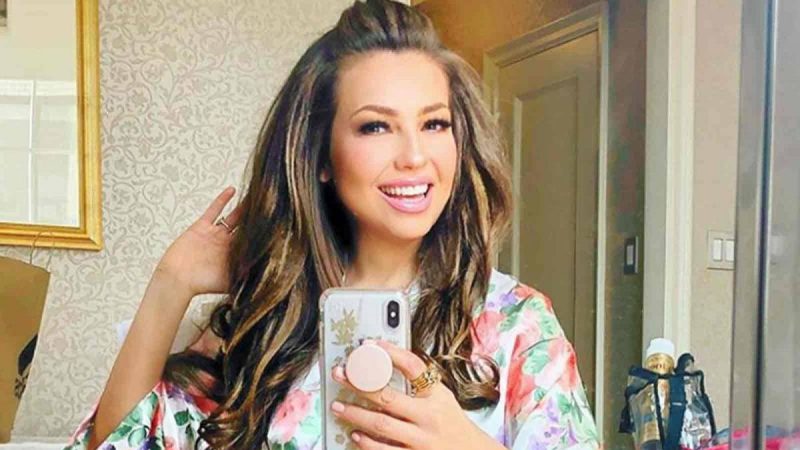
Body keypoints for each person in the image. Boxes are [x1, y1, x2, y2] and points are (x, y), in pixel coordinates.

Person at [65, 1, 599, 449]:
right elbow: (118, 443)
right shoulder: (264, 324)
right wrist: (172, 283)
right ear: (322, 155)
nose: (415, 156)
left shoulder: (516, 325)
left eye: (435, 123)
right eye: (376, 127)